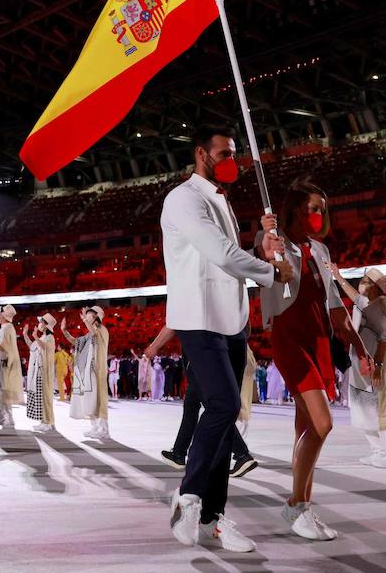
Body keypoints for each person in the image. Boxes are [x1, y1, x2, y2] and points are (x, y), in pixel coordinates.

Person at [161, 124, 290, 553]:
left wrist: (263, 245)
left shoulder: (221, 200)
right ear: (201, 154)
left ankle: (214, 516)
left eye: (234, 153)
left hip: (232, 320)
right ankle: (189, 495)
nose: (231, 161)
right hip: (197, 317)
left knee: (224, 418)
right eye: (224, 153)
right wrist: (271, 272)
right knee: (223, 404)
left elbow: (233, 258)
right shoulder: (183, 199)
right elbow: (219, 254)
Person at [261, 180, 374, 541]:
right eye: (313, 208)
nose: (319, 215)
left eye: (322, 209)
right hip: (290, 338)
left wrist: (359, 347)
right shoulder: (279, 246)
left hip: (320, 341)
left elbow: (337, 310)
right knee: (322, 424)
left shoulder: (321, 251)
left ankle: (304, 509)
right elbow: (271, 267)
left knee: (304, 429)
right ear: (294, 210)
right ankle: (296, 504)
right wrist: (269, 242)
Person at [147, 326, 255, 480]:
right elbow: (246, 326)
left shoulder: (193, 304)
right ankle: (179, 452)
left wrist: (154, 346)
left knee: (215, 408)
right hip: (218, 350)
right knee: (191, 406)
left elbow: (172, 323)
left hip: (200, 354)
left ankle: (241, 453)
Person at [329, 265, 386, 468]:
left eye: (367, 281)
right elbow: (355, 297)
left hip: (377, 362)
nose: (362, 284)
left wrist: (378, 365)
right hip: (362, 362)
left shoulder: (380, 306)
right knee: (363, 407)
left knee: (382, 405)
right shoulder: (367, 303)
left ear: (377, 287)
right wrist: (338, 277)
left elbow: (385, 339)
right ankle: (378, 451)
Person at [65, 306, 110, 439]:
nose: (86, 316)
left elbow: (95, 334)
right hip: (89, 372)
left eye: (89, 314)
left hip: (98, 369)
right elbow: (76, 342)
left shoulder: (102, 330)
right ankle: (95, 427)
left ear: (96, 316)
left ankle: (104, 429)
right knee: (91, 400)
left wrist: (84, 320)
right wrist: (64, 331)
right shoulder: (89, 334)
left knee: (100, 399)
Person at [23, 315, 56, 433]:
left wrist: (36, 336)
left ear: (47, 325)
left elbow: (45, 348)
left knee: (45, 397)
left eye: (41, 322)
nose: (39, 324)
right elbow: (32, 347)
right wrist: (25, 335)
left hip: (44, 372)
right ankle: (45, 421)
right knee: (41, 398)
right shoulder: (42, 337)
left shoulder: (50, 338)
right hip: (38, 371)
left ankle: (47, 422)